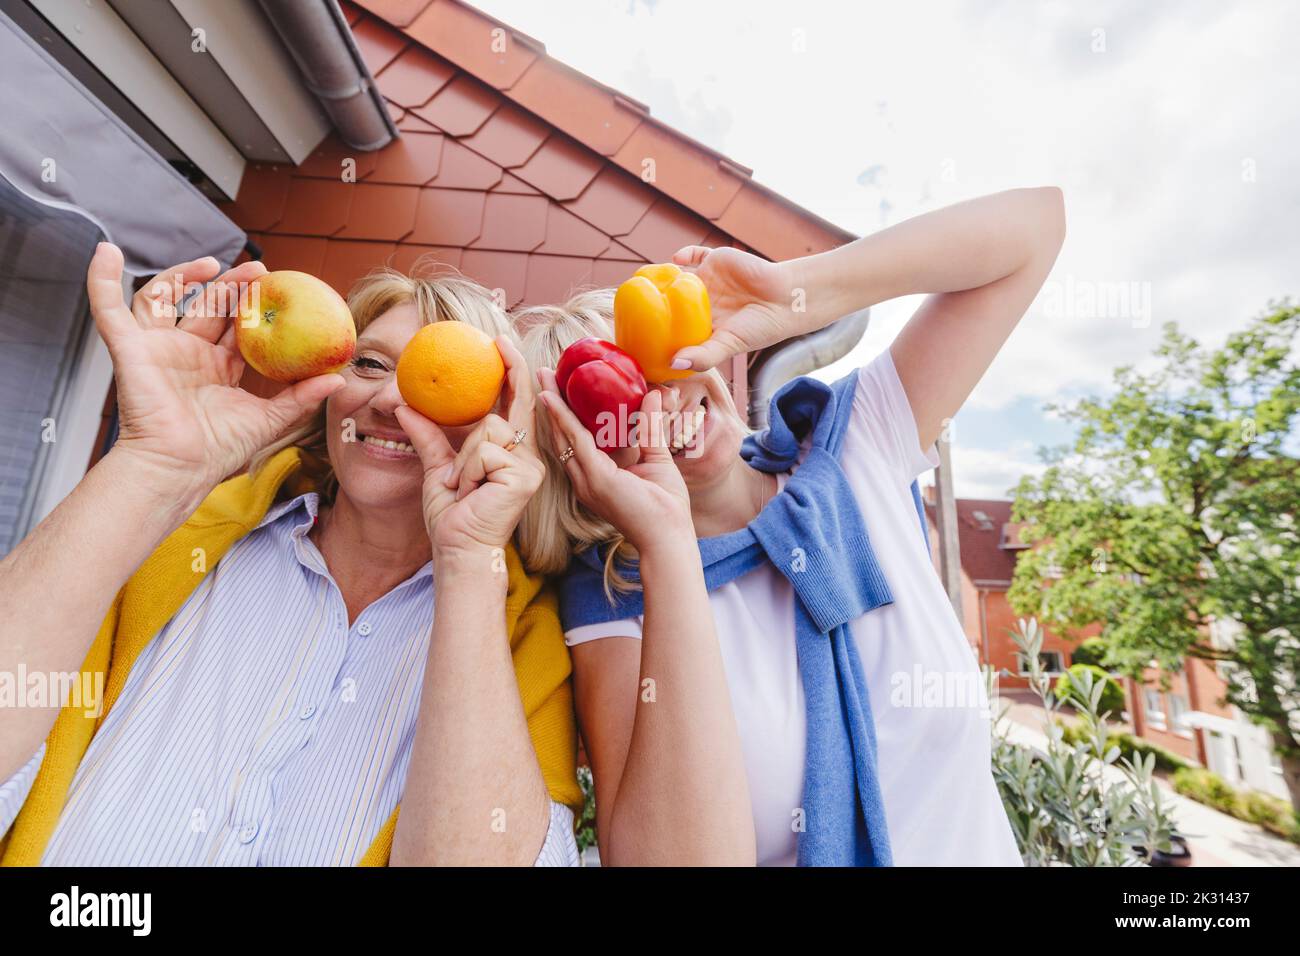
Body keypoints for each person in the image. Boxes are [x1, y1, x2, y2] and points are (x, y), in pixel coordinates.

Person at [517, 187, 1066, 865]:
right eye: (608, 406)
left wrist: (797, 291)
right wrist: (665, 541)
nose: (655, 407)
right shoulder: (618, 599)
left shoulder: (853, 444)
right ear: (577, 471)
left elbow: (1035, 228)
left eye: (657, 362)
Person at [0, 246, 581, 866]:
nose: (389, 401)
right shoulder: (179, 543)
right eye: (369, 363)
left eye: (433, 380)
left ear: (501, 420)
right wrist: (151, 463)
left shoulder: (521, 640)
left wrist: (468, 558)